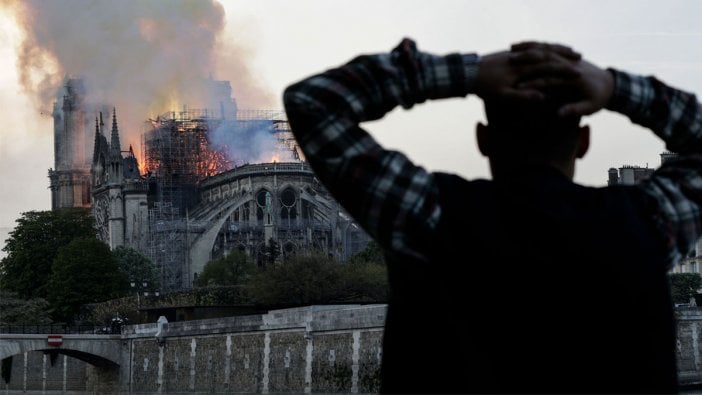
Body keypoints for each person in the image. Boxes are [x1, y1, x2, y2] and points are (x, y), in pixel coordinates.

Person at [283, 38, 702, 393]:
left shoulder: (428, 214)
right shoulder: (648, 225)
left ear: (482, 139)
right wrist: (614, 87)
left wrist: (469, 73)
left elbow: (314, 101)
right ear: (584, 142)